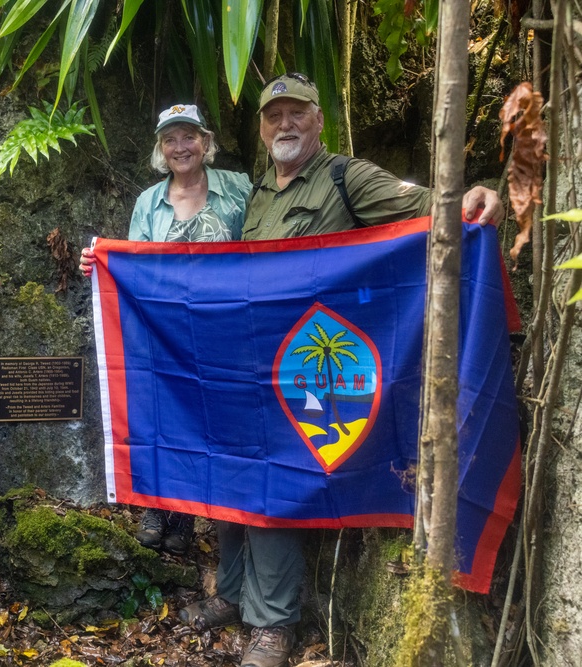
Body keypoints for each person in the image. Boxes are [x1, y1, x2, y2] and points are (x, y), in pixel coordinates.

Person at [178, 73, 504, 667]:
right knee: (226, 463)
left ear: (318, 118)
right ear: (260, 127)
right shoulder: (257, 196)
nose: (285, 124)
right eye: (274, 115)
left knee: (273, 482)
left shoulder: (345, 177)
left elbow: (424, 205)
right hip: (254, 364)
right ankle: (231, 591)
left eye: (296, 113)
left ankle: (272, 623)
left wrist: (470, 199)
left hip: (313, 367)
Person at [80, 103, 253, 557]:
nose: (181, 147)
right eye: (171, 139)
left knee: (207, 421)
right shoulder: (148, 203)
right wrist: (99, 264)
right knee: (164, 418)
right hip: (165, 334)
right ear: (161, 149)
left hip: (223, 332)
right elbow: (131, 264)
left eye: (189, 136)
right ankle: (159, 507)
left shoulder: (239, 189)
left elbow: (264, 248)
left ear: (206, 142)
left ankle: (191, 516)